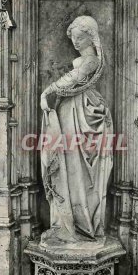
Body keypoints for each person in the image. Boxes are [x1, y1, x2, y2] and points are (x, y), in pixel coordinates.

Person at [40, 16, 113, 248]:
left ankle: (82, 225)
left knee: (78, 169)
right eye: (72, 38)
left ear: (90, 36)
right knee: (68, 164)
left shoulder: (91, 60)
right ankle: (66, 223)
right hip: (71, 110)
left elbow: (75, 78)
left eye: (79, 37)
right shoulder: (85, 59)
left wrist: (47, 91)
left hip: (83, 114)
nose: (75, 42)